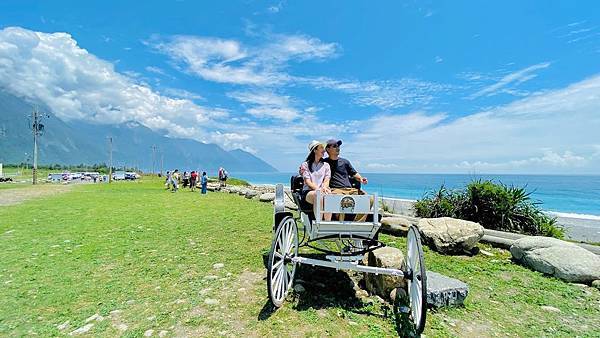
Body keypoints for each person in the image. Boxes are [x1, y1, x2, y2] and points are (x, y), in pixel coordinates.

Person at [323, 139, 371, 222]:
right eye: (334, 146)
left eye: (338, 146)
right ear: (327, 149)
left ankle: (357, 224)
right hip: (336, 190)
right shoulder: (324, 163)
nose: (338, 148)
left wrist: (361, 179)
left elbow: (354, 173)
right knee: (343, 200)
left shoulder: (345, 162)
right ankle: (340, 221)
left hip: (350, 190)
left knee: (369, 199)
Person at [299, 140, 332, 221]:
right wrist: (318, 189)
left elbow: (327, 179)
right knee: (318, 195)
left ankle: (327, 223)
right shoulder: (305, 165)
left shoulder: (326, 165)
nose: (324, 150)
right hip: (309, 192)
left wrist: (324, 187)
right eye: (321, 148)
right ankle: (319, 223)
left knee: (330, 196)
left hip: (322, 191)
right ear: (315, 150)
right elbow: (308, 182)